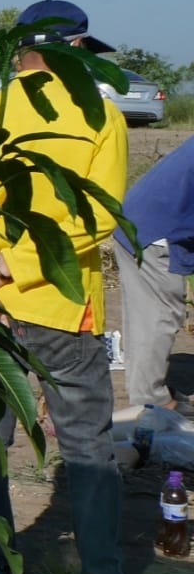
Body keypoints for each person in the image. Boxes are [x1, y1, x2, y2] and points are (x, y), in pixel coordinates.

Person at [0, 0, 153, 574]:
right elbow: (96, 214)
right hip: (58, 302)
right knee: (86, 441)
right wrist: (24, 268)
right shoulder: (99, 114)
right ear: (75, 49)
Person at [114, 131, 194, 413]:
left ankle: (148, 392)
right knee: (158, 316)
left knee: (146, 317)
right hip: (153, 231)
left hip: (140, 221)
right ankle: (151, 401)